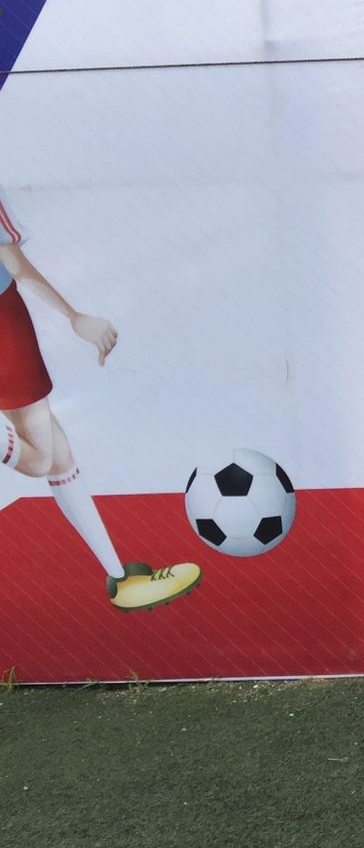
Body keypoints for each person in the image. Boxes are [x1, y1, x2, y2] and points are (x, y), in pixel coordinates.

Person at [0, 195, 201, 609]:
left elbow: (12, 263)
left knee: (57, 454)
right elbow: (13, 262)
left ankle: (121, 580)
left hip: (5, 314)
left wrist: (74, 317)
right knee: (41, 460)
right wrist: (73, 316)